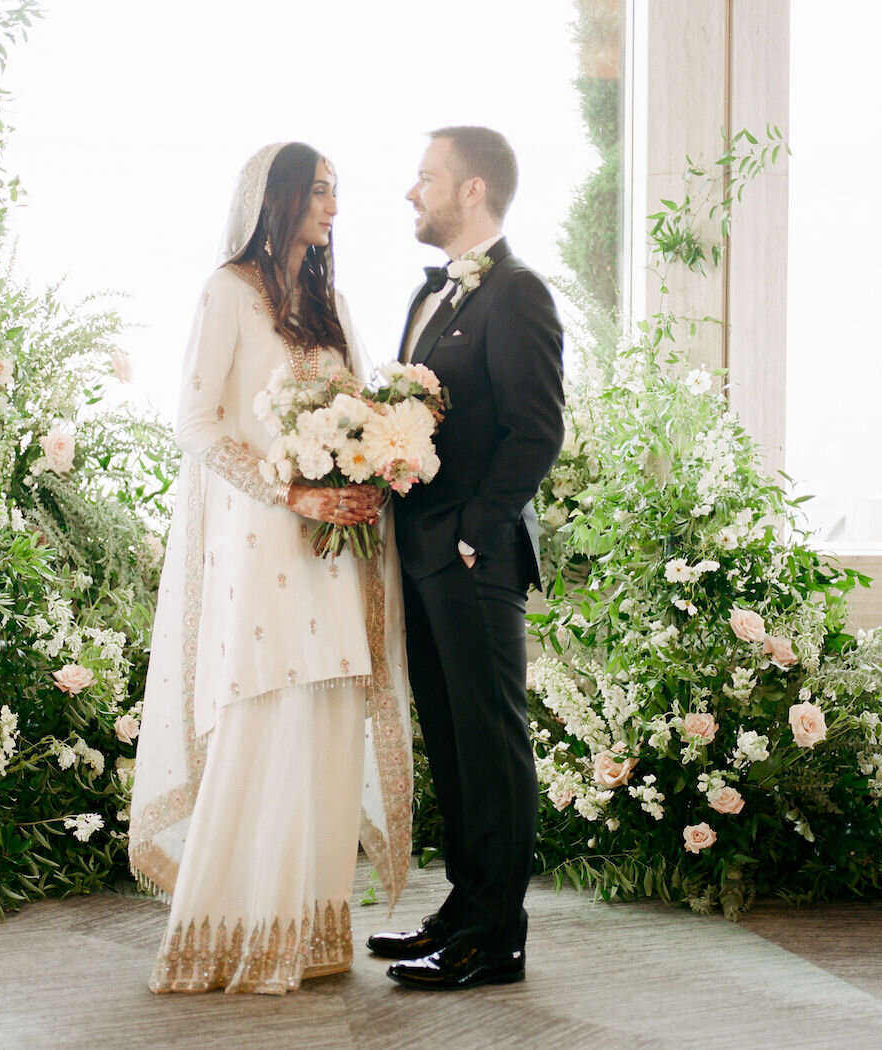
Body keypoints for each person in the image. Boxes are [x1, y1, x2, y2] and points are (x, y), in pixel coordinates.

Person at [129, 142, 413, 995]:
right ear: (280, 199)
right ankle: (229, 934)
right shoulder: (227, 291)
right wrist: (293, 494)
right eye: (321, 191)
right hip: (263, 547)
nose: (333, 206)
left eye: (336, 192)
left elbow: (357, 411)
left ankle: (310, 930)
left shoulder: (328, 303)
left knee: (325, 709)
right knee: (269, 707)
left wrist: (370, 466)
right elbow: (197, 423)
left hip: (335, 551)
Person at [368, 126, 565, 990]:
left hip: (473, 559)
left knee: (491, 744)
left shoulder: (517, 292)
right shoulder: (438, 298)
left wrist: (475, 530)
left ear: (472, 191)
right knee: (452, 742)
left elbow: (538, 430)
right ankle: (463, 909)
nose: (413, 194)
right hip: (422, 557)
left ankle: (496, 937)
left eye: (426, 179)